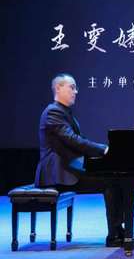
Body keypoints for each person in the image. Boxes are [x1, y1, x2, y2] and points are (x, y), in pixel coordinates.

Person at [35, 73, 126, 246]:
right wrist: (104, 149)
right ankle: (114, 235)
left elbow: (78, 141)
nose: (75, 91)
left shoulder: (64, 112)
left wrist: (101, 151)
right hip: (57, 173)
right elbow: (73, 140)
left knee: (117, 178)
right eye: (72, 87)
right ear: (58, 88)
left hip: (68, 167)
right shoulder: (53, 112)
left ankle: (120, 230)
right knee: (110, 182)